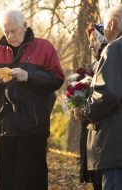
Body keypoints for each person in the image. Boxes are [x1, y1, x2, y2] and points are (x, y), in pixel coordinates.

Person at [0, 9, 64, 190]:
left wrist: (29, 76)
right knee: (3, 183)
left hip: (32, 129)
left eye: (13, 31)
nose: (9, 36)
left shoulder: (44, 47)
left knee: (32, 182)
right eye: (5, 31)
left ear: (25, 26)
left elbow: (57, 79)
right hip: (3, 129)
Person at [73, 4, 122, 190]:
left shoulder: (115, 47)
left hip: (115, 144)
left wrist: (83, 110)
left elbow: (107, 93)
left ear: (110, 24)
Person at [79, 23, 106, 190]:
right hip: (90, 134)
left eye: (95, 39)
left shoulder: (109, 64)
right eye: (90, 40)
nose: (91, 44)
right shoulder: (90, 68)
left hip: (105, 136)